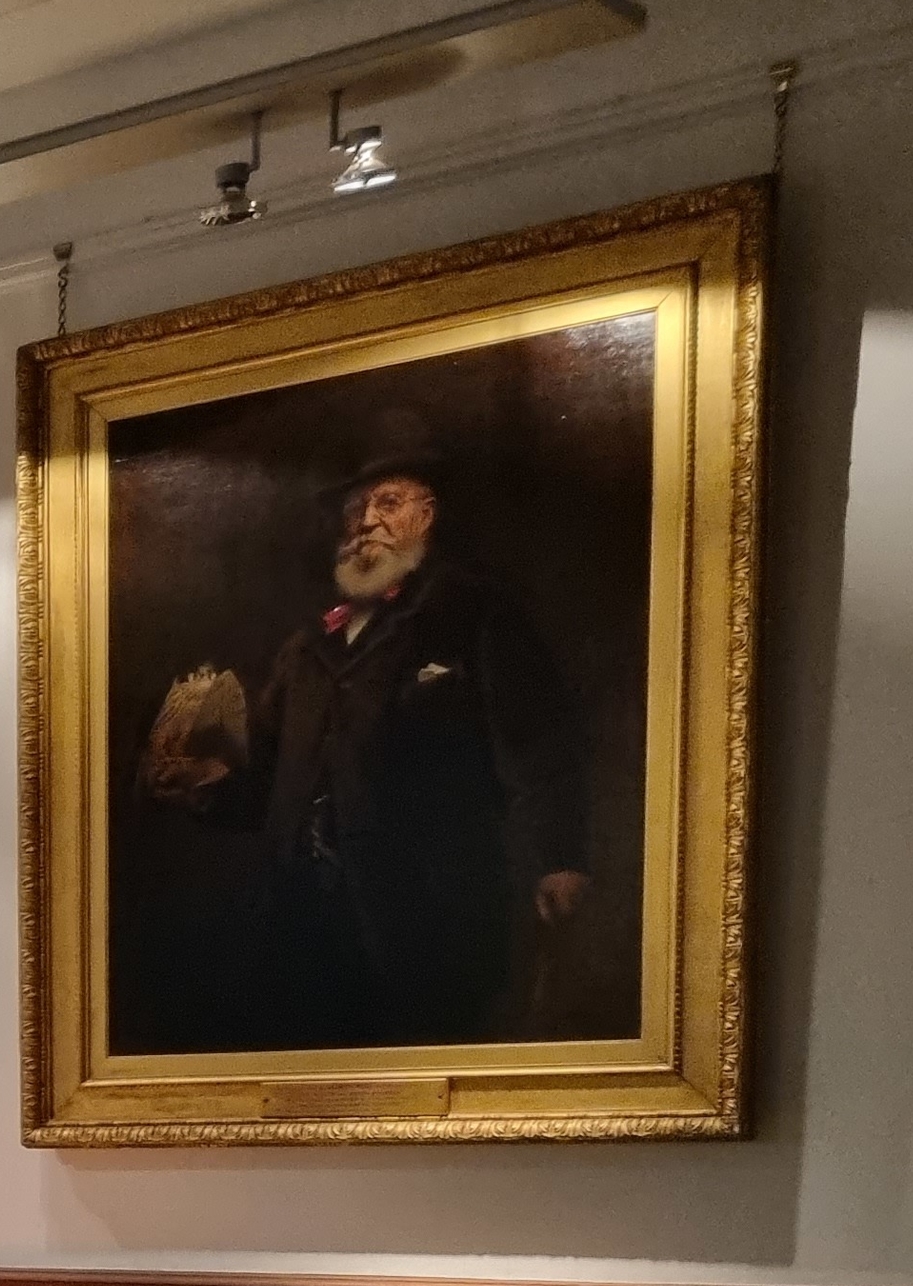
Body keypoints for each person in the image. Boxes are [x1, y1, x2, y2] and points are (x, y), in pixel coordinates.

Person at [140, 421, 590, 1048]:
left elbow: (539, 747)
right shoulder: (307, 647)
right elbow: (265, 781)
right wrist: (202, 786)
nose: (363, 523)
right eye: (354, 511)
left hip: (428, 909)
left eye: (387, 503)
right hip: (304, 915)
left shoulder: (471, 614)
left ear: (428, 517)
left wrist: (560, 859)